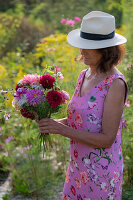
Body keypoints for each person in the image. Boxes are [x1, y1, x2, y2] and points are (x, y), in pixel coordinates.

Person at [36, 11, 128, 200]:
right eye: (82, 45)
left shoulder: (115, 83)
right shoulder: (84, 75)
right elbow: (79, 120)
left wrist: (61, 130)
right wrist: (51, 123)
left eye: (89, 47)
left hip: (102, 173)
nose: (82, 51)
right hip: (78, 167)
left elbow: (106, 139)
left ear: (107, 50)